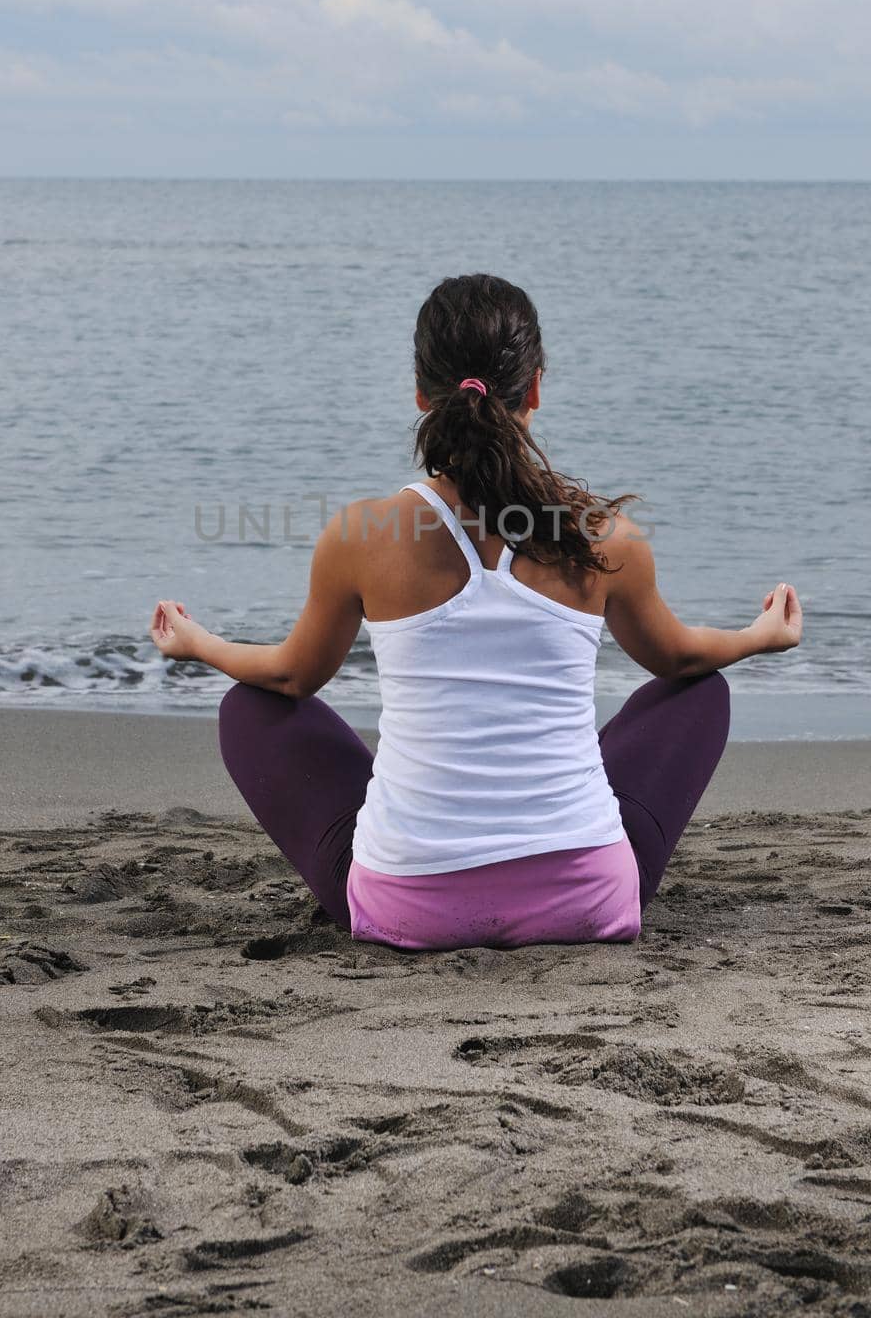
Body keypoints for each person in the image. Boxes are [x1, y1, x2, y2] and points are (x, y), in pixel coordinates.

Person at [150, 273, 802, 951]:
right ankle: (564, 856)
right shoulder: (603, 539)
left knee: (250, 706)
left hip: (410, 911)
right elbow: (681, 658)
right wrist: (758, 636)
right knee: (698, 692)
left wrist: (199, 644)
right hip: (586, 903)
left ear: (419, 393)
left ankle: (414, 868)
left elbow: (290, 678)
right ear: (537, 389)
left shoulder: (360, 536)